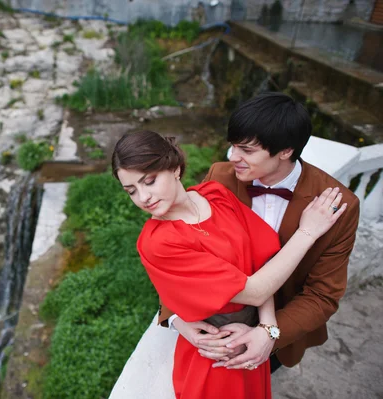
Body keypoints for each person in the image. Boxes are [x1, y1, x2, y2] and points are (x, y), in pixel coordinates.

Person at [112, 129, 347, 398]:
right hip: (217, 356)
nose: (143, 198)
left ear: (175, 168)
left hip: (252, 342)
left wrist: (266, 329)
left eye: (149, 181)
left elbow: (261, 261)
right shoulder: (158, 242)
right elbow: (255, 289)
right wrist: (308, 231)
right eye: (131, 191)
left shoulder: (215, 194)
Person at [157, 92, 360, 375]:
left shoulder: (339, 205)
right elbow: (177, 252)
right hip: (214, 323)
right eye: (233, 146)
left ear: (286, 151)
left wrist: (270, 334)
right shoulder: (220, 177)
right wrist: (177, 316)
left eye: (246, 150)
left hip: (280, 329)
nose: (233, 157)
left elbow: (323, 294)